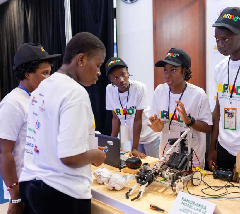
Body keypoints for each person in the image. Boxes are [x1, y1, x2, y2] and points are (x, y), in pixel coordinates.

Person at [18, 32, 107, 214]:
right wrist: (96, 155)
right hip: (62, 193)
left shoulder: (43, 86)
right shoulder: (75, 93)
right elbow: (70, 157)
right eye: (97, 65)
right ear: (81, 59)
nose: (99, 73)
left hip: (32, 184)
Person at [0, 43, 60, 214]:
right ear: (27, 74)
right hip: (23, 188)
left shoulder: (39, 98)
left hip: (42, 183)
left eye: (50, 73)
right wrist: (15, 196)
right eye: (44, 73)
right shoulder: (13, 103)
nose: (49, 78)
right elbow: (4, 152)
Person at [207, 7, 240, 172]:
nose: (220, 45)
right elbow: (219, 109)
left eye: (226, 39)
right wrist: (213, 147)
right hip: (224, 147)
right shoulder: (220, 67)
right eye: (217, 39)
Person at [148, 48, 212, 167]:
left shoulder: (198, 95)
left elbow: (208, 128)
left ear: (184, 71)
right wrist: (157, 128)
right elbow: (158, 128)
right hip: (166, 156)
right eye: (165, 70)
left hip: (192, 159)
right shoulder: (160, 91)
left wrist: (189, 121)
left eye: (173, 70)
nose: (167, 75)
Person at [105, 57, 160, 158]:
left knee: (153, 167)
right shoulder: (109, 90)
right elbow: (116, 118)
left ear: (127, 72)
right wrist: (112, 144)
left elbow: (137, 119)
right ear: (110, 79)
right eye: (115, 77)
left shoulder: (139, 88)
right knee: (138, 168)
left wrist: (134, 148)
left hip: (149, 136)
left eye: (123, 74)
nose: (121, 80)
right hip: (134, 137)